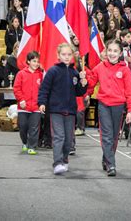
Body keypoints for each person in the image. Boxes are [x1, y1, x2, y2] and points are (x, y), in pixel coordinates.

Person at [38, 43, 88, 175]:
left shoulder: (74, 72)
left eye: (69, 54)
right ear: (58, 55)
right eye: (63, 54)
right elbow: (44, 89)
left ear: (72, 56)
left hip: (71, 110)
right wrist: (42, 102)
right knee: (59, 137)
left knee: (68, 139)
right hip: (55, 110)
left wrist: (83, 83)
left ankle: (65, 159)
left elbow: (79, 92)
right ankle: (57, 163)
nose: (66, 57)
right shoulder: (52, 71)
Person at [87, 40, 131, 177]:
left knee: (114, 136)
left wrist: (130, 110)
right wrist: (85, 80)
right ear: (106, 52)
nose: (112, 54)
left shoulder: (125, 70)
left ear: (120, 53)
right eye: (110, 50)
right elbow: (91, 83)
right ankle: (111, 164)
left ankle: (106, 158)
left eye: (115, 51)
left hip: (119, 106)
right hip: (103, 105)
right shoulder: (99, 67)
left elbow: (130, 92)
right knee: (106, 135)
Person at [13, 51, 43, 155]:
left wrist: (41, 103)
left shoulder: (41, 75)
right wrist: (21, 100)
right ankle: (24, 142)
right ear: (28, 61)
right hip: (23, 107)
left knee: (34, 128)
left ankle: (32, 146)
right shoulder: (21, 74)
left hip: (36, 107)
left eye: (38, 62)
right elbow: (16, 88)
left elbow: (43, 90)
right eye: (34, 61)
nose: (36, 63)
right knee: (23, 126)